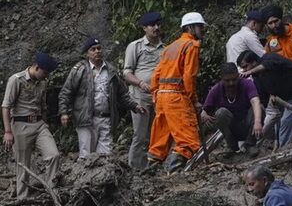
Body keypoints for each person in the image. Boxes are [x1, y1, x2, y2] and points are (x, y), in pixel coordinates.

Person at [59, 36, 143, 160]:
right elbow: (67, 91)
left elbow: (122, 93)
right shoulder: (80, 70)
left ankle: (101, 179)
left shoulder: (111, 70)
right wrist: (63, 112)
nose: (97, 51)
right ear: (87, 53)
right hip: (86, 118)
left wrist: (134, 106)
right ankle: (85, 179)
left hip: (106, 118)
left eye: (99, 48)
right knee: (86, 155)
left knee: (106, 157)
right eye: (93, 49)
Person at [148, 12, 206, 171]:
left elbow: (156, 74)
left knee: (159, 141)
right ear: (190, 27)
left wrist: (156, 92)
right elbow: (189, 76)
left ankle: (149, 175)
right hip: (177, 97)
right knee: (188, 140)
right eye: (200, 27)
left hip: (162, 96)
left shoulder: (170, 47)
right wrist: (193, 99)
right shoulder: (191, 46)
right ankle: (173, 172)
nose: (202, 30)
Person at [236, 50, 292, 147]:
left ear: (254, 62)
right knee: (286, 121)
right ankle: (284, 150)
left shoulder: (269, 57)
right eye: (243, 69)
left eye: (245, 67)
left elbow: (269, 65)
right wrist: (257, 121)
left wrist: (250, 72)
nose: (244, 71)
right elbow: (262, 102)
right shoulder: (257, 79)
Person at [3, 50, 61, 194]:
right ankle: (22, 204)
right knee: (23, 167)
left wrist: (45, 122)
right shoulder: (16, 80)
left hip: (39, 124)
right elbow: (6, 106)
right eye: (45, 72)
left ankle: (52, 193)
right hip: (20, 125)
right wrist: (8, 131)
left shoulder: (43, 82)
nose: (46, 76)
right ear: (36, 67)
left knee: (53, 155)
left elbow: (43, 106)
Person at [123, 13, 165, 171]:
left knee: (157, 134)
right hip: (140, 97)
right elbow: (126, 73)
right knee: (140, 135)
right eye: (152, 25)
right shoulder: (136, 46)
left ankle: (151, 166)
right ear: (144, 28)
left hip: (159, 97)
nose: (156, 27)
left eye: (158, 24)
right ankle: (134, 168)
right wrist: (140, 83)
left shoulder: (165, 48)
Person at [201, 63, 264, 153]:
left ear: (238, 75)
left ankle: (250, 144)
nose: (231, 83)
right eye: (227, 81)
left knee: (259, 108)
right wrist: (204, 115)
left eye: (234, 79)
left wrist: (257, 122)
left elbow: (255, 101)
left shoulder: (247, 83)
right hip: (232, 129)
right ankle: (231, 146)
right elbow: (204, 110)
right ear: (222, 78)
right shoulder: (216, 89)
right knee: (220, 113)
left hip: (249, 125)